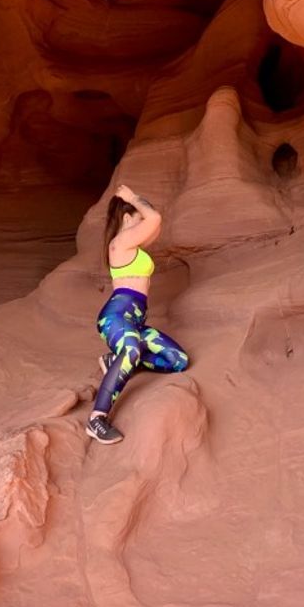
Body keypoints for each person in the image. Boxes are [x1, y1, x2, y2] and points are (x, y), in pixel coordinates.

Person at [86, 184, 190, 444]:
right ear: (126, 217)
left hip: (135, 321)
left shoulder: (134, 244)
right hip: (116, 317)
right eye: (137, 216)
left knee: (178, 361)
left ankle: (116, 362)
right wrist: (131, 198)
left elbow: (154, 222)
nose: (143, 221)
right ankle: (97, 419)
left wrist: (137, 203)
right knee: (132, 350)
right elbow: (154, 218)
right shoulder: (119, 243)